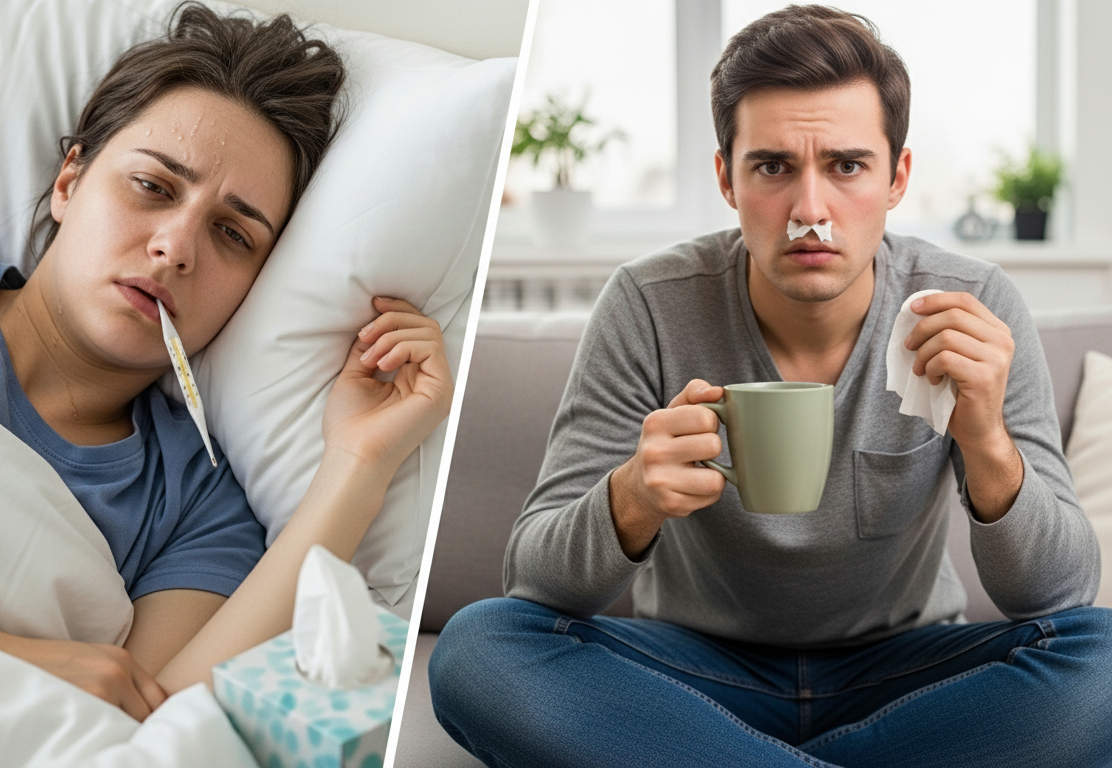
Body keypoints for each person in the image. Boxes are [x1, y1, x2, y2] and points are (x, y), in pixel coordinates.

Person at [429, 5, 1109, 766]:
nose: (809, 212)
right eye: (773, 167)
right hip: (693, 675)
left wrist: (987, 440)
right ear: (726, 177)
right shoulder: (649, 305)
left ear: (897, 178)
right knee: (476, 647)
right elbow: (534, 577)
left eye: (847, 166)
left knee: (1106, 660)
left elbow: (1058, 595)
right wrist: (629, 498)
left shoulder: (969, 305)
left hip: (904, 671)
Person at [0, 4, 451, 723]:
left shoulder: (198, 503)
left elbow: (157, 729)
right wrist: (0, 654)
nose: (176, 247)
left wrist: (358, 464)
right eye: (154, 187)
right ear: (70, 181)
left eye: (232, 234)